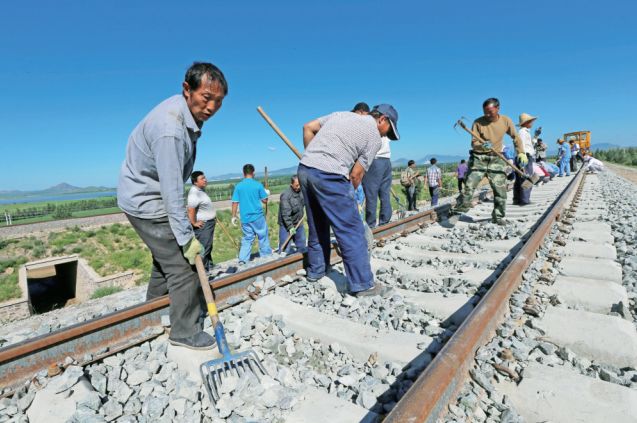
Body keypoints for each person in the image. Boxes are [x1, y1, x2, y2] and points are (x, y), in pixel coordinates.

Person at [117, 62, 227, 350]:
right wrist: (186, 237)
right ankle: (184, 331)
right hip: (147, 201)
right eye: (207, 97)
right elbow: (171, 193)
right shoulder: (171, 130)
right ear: (187, 89)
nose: (212, 107)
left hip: (144, 195)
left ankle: (152, 312)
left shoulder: (184, 116)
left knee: (164, 259)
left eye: (218, 101)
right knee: (184, 267)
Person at [298, 104, 399, 297]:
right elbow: (356, 175)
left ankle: (316, 271)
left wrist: (314, 158)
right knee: (351, 229)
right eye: (388, 131)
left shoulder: (341, 115)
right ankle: (362, 284)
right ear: (382, 119)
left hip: (305, 169)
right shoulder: (374, 137)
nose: (386, 136)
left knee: (317, 223)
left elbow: (307, 127)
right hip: (330, 174)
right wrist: (347, 196)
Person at [453, 98, 527, 225]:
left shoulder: (505, 121)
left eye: (490, 112)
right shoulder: (478, 123)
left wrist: (521, 152)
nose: (487, 115)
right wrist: (481, 146)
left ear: (498, 109)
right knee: (469, 188)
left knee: (500, 190)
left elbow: (516, 137)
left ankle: (498, 217)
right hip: (479, 158)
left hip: (496, 158)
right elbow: (474, 143)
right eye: (485, 112)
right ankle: (456, 212)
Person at [231, 164, 272, 264]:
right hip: (257, 216)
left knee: (247, 238)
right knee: (262, 235)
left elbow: (235, 202)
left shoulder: (238, 186)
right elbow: (265, 201)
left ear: (243, 173)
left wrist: (233, 216)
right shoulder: (258, 185)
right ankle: (266, 255)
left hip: (245, 218)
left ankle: (243, 259)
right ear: (253, 173)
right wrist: (266, 193)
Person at [362, 134, 394, 227]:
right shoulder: (384, 126)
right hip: (387, 161)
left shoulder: (370, 126)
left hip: (375, 160)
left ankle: (371, 224)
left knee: (371, 194)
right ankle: (384, 221)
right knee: (385, 193)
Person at [187, 171, 216, 272]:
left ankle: (209, 266)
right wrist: (194, 223)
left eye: (205, 177)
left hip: (209, 223)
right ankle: (201, 272)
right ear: (195, 182)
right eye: (202, 178)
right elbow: (190, 210)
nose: (205, 180)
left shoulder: (200, 190)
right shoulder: (194, 193)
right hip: (204, 225)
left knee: (208, 245)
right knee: (204, 247)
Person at [513, 113, 538, 206]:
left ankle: (517, 199)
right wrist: (522, 157)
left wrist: (535, 136)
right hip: (524, 156)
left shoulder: (524, 132)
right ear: (526, 122)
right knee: (527, 178)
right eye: (531, 121)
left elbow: (529, 144)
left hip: (522, 156)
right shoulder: (523, 132)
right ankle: (525, 200)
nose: (532, 123)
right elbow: (521, 145)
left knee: (519, 179)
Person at [278, 175, 306, 254]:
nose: (299, 187)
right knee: (285, 248)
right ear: (291, 185)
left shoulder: (302, 192)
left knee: (302, 245)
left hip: (298, 222)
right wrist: (290, 227)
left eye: (300, 184)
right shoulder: (286, 195)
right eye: (297, 185)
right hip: (286, 224)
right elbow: (285, 213)